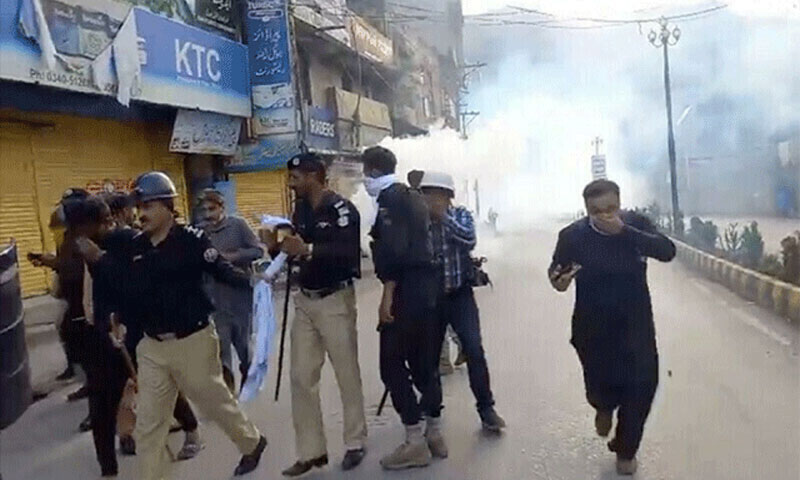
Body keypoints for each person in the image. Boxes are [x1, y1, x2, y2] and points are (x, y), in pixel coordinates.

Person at [77, 172, 266, 479]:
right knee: (149, 427)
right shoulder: (135, 246)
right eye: (138, 207)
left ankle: (252, 443)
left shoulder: (191, 240)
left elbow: (221, 268)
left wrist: (256, 284)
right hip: (152, 347)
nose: (141, 214)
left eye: (148, 206)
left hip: (193, 340)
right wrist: (115, 316)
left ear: (167, 206)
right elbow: (120, 286)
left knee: (216, 403)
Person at [548, 179, 675, 476]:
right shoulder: (572, 236)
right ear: (586, 210)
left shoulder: (635, 225)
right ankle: (603, 407)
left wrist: (624, 231)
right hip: (592, 329)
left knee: (643, 385)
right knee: (602, 386)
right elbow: (556, 274)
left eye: (611, 208)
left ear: (620, 203)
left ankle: (627, 449)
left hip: (636, 324)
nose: (606, 215)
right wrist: (560, 281)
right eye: (597, 211)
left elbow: (667, 251)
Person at [266, 153, 368, 476]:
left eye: (296, 176)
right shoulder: (300, 210)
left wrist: (308, 250)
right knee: (300, 377)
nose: (291, 182)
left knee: (346, 373)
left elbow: (347, 254)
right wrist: (274, 247)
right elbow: (295, 249)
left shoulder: (342, 210)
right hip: (305, 301)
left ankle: (355, 442)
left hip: (335, 300)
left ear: (314, 175)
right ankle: (312, 451)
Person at [362, 146, 443, 470]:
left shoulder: (390, 200)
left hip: (406, 291)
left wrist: (387, 295)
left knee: (392, 365)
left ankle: (414, 441)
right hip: (427, 291)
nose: (365, 180)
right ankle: (434, 433)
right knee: (425, 363)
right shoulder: (413, 197)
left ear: (371, 170)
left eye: (365, 173)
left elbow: (395, 252)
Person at [419, 171, 506, 433]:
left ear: (447, 196)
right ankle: (431, 411)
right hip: (429, 299)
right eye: (426, 194)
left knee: (474, 350)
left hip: (459, 295)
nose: (430, 199)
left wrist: (442, 218)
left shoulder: (461, 216)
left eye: (435, 194)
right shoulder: (417, 221)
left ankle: (486, 408)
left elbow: (469, 239)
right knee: (428, 358)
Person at [28, 188, 92, 430]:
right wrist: (47, 261)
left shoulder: (86, 237)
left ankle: (99, 408)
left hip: (85, 303)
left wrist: (56, 265)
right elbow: (66, 265)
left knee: (93, 356)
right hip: (73, 302)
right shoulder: (68, 239)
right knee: (72, 339)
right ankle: (86, 383)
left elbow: (77, 270)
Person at [198, 189, 262, 393]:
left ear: (221, 208)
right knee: (221, 347)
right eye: (204, 210)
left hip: (240, 295)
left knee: (242, 343)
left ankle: (248, 376)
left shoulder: (238, 225)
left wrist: (231, 257)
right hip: (215, 298)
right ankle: (228, 393)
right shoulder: (201, 232)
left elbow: (257, 250)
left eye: (212, 209)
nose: (208, 214)